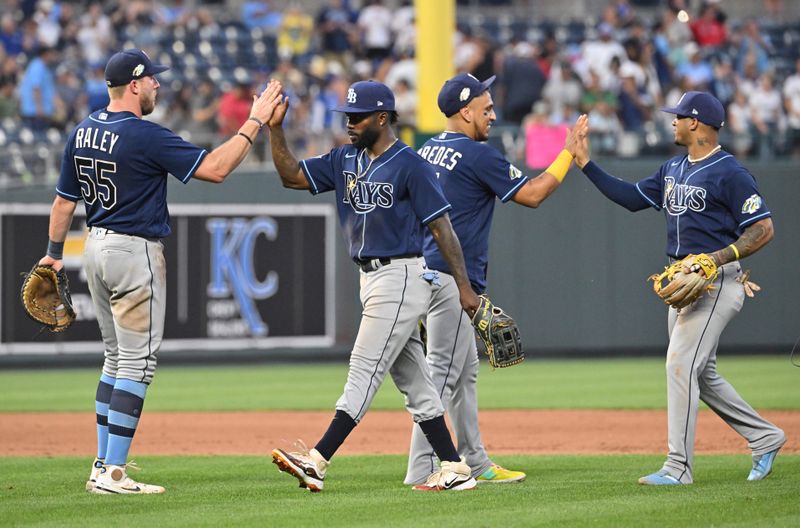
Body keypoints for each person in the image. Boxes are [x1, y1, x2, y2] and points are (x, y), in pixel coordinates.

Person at [38, 49, 282, 494]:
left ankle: (100, 465)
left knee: (114, 359)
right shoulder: (145, 136)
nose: (157, 85)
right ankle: (114, 472)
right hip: (134, 251)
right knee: (137, 362)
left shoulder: (84, 130)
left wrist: (54, 253)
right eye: (152, 79)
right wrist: (256, 121)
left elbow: (62, 203)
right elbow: (216, 169)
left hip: (93, 246)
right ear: (133, 84)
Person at [267, 79, 481, 492]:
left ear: (382, 118)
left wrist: (465, 289)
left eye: (358, 117)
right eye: (347, 117)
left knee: (364, 369)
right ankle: (454, 467)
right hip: (370, 278)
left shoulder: (409, 164)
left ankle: (317, 460)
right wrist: (276, 129)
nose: (349, 124)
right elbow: (291, 176)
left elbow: (441, 227)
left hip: (400, 274)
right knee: (416, 383)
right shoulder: (344, 158)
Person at [572, 91, 786, 485]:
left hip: (717, 281)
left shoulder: (730, 171)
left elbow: (763, 228)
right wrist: (585, 164)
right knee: (701, 376)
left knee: (679, 365)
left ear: (697, 123)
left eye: (679, 116)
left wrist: (717, 259)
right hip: (683, 279)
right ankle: (765, 437)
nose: (672, 121)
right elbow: (632, 198)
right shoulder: (673, 167)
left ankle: (678, 466)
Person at [404, 73, 587, 486]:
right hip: (452, 279)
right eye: (485, 109)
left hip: (426, 270)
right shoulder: (477, 155)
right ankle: (422, 467)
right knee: (441, 375)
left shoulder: (428, 148)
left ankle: (476, 460)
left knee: (463, 373)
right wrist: (567, 156)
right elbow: (534, 194)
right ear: (464, 112)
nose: (493, 114)